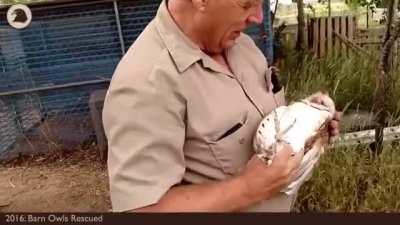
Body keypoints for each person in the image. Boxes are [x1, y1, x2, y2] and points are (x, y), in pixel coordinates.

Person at [103, 0, 340, 212]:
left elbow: (262, 122)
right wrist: (248, 188)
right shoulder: (145, 81)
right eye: (247, 4)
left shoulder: (243, 45)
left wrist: (307, 119)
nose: (257, 18)